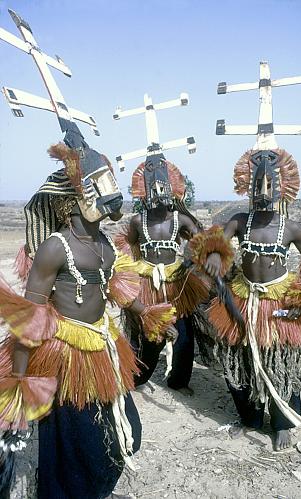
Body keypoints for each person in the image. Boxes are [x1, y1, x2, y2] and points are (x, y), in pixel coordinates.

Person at [0, 141, 175, 498]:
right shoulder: (55, 247)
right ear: (73, 199)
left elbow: (119, 293)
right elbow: (29, 318)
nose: (112, 192)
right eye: (99, 185)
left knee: (126, 433)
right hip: (64, 357)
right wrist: (20, 383)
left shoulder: (106, 245)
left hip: (103, 348)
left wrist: (149, 316)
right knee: (77, 443)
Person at [191, 148, 301, 450]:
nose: (264, 192)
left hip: (277, 307)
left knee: (281, 362)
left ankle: (282, 422)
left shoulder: (292, 228)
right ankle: (250, 419)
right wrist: (216, 255)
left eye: (271, 185)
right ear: (248, 186)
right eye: (258, 185)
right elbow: (214, 241)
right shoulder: (240, 221)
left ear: (284, 186)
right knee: (239, 361)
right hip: (242, 301)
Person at [115, 153, 226, 393]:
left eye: (162, 186)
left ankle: (178, 381)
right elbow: (128, 248)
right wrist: (128, 276)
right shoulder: (137, 221)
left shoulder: (181, 220)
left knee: (184, 336)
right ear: (144, 190)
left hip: (176, 285)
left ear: (171, 187)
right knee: (148, 336)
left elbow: (203, 242)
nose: (157, 191)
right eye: (152, 187)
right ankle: (137, 377)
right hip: (147, 284)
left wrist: (198, 260)